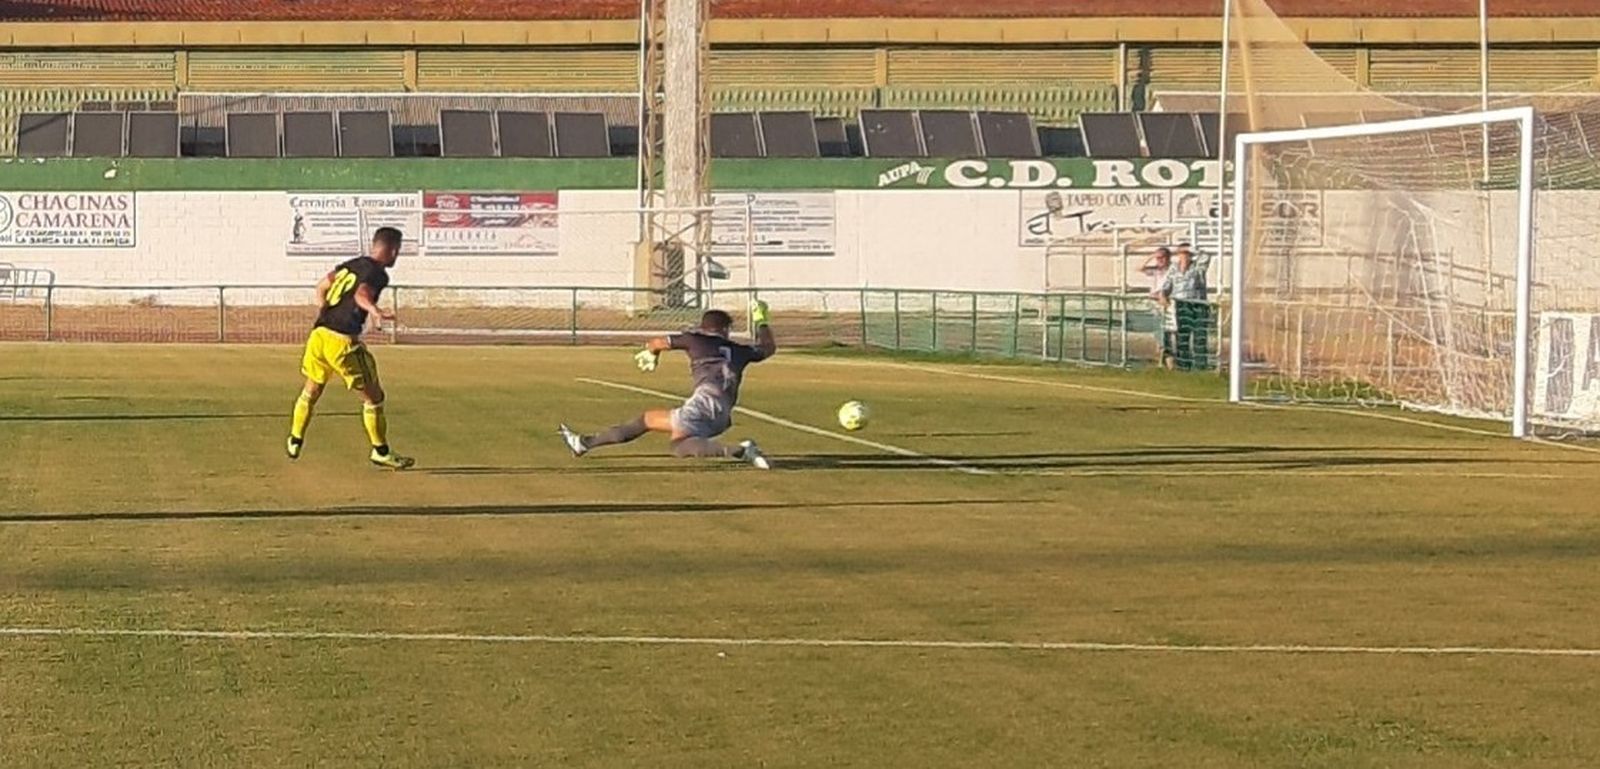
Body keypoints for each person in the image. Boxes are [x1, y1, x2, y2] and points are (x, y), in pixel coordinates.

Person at [559, 301, 776, 469]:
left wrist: (652, 353)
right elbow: (767, 348)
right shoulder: (740, 351)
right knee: (647, 420)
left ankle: (740, 451)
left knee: (679, 445)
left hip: (703, 405)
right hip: (722, 415)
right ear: (726, 330)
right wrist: (761, 320)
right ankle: (584, 443)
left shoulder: (694, 339)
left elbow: (657, 342)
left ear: (705, 326)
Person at [286, 226, 415, 469]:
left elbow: (321, 286)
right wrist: (374, 310)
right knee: (374, 398)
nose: (397, 256)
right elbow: (361, 294)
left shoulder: (352, 264)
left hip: (319, 335)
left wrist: (326, 311)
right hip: (341, 342)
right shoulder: (378, 273)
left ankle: (295, 438)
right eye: (397, 251)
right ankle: (381, 451)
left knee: (311, 390)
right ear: (391, 249)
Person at [1158, 242, 1213, 371]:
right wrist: (1163, 294)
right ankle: (1184, 365)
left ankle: (1200, 365)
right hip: (1181, 304)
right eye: (1182, 254)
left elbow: (1206, 257)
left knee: (1199, 335)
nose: (1184, 257)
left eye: (1187, 254)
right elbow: (1167, 284)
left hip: (1198, 304)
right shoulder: (1174, 268)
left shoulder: (1197, 267)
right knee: (1182, 335)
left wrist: (1190, 248)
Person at [1139, 246, 1175, 365]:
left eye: (1162, 257)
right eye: (1158, 258)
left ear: (1168, 258)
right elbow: (1140, 268)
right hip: (1155, 303)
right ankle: (1161, 357)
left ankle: (1168, 358)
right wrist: (1151, 257)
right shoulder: (1155, 270)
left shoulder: (1173, 269)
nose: (1160, 260)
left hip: (1167, 302)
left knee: (1168, 330)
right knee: (1158, 330)